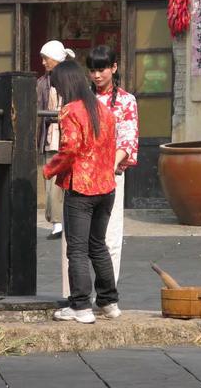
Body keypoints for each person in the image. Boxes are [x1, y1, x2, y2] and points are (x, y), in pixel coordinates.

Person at [43, 60, 120, 324]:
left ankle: (80, 306)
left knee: (76, 249)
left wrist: (49, 170)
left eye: (58, 87)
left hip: (82, 187)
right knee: (98, 245)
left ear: (66, 84)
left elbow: (69, 150)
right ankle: (109, 302)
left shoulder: (70, 111)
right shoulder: (103, 109)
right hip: (106, 187)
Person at [87, 45, 139, 285]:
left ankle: (107, 293)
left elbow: (128, 140)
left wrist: (110, 165)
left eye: (102, 69)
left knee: (110, 237)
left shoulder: (127, 101)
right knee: (78, 240)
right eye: (92, 70)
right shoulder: (83, 100)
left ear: (114, 68)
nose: (97, 75)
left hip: (111, 175)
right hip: (84, 176)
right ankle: (76, 294)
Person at [36, 40, 75, 240]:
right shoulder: (42, 83)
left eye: (46, 58)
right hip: (51, 137)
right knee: (52, 184)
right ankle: (57, 223)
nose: (43, 62)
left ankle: (68, 221)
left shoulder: (71, 80)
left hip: (70, 137)